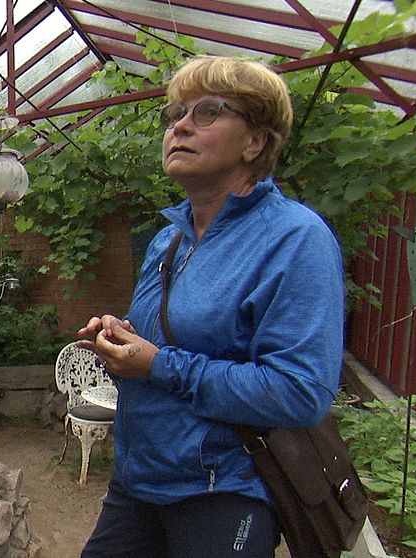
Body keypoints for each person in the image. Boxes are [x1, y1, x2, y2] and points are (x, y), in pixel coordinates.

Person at [76, 56, 344, 557]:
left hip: (224, 493)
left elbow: (301, 392)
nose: (179, 126)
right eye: (176, 113)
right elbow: (160, 351)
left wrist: (159, 365)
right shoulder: (168, 240)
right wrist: (120, 342)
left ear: (254, 142)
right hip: (139, 484)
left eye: (207, 112)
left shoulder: (294, 238)